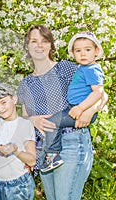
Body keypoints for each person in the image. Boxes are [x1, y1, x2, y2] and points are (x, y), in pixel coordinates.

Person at [17, 24, 108, 200]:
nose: (39, 45)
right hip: (44, 149)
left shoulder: (65, 68)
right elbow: (25, 115)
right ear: (27, 47)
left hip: (71, 142)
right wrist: (33, 120)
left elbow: (101, 94)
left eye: (44, 41)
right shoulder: (26, 83)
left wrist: (89, 111)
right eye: (33, 41)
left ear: (51, 45)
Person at [39, 31, 105, 172]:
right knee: (53, 121)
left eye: (87, 50)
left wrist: (83, 109)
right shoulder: (82, 68)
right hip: (73, 107)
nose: (83, 54)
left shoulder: (92, 69)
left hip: (78, 109)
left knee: (52, 122)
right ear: (73, 53)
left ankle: (52, 156)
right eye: (78, 51)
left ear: (96, 51)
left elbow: (99, 93)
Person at [0, 83, 36, 200]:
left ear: (14, 99)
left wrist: (16, 151)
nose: (0, 109)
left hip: (17, 186)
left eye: (3, 102)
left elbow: (32, 160)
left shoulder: (25, 125)